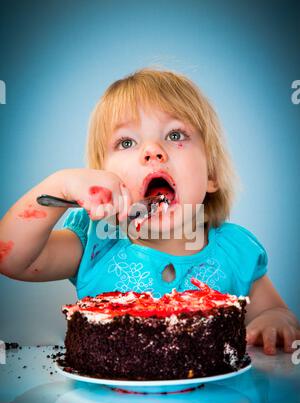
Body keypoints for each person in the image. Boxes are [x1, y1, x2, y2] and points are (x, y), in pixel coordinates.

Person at [0, 67, 299, 355]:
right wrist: (60, 184)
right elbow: (13, 259)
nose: (153, 151)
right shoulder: (94, 243)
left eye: (175, 135)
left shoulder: (235, 253)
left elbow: (276, 312)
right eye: (127, 142)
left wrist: (274, 320)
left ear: (211, 175)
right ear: (103, 178)